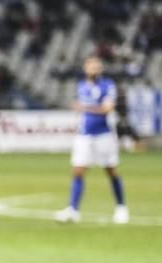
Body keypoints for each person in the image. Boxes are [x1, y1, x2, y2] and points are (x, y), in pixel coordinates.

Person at [55, 57, 129, 224]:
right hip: (85, 135)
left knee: (111, 170)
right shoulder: (81, 86)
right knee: (78, 171)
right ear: (85, 67)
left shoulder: (108, 85)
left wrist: (85, 108)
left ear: (101, 68)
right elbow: (79, 109)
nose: (93, 68)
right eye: (90, 65)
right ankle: (73, 210)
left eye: (96, 65)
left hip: (104, 134)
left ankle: (121, 207)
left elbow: (107, 109)